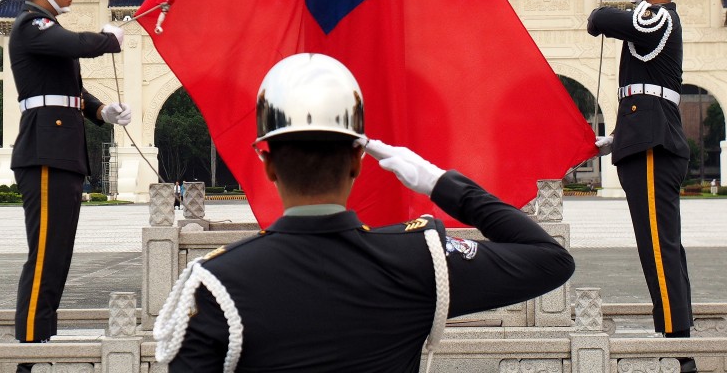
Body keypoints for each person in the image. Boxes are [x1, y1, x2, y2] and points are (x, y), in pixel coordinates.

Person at [154, 53, 575, 372]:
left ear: (266, 162)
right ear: (358, 159)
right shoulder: (421, 259)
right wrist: (440, 183)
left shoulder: (214, 284)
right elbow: (550, 259)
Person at [8, 0, 132, 372]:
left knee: (57, 253)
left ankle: (41, 341)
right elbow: (75, 43)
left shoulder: (46, 30)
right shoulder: (31, 26)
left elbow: (70, 92)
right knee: (45, 253)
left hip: (61, 151)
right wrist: (107, 39)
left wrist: (101, 111)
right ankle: (28, 350)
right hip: (45, 152)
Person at [587, 0, 696, 372]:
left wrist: (598, 13)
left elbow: (599, 19)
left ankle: (679, 344)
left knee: (658, 244)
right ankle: (676, 334)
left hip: (654, 146)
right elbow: (641, 94)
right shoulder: (651, 18)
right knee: (658, 244)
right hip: (644, 138)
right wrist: (613, 137)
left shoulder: (660, 17)